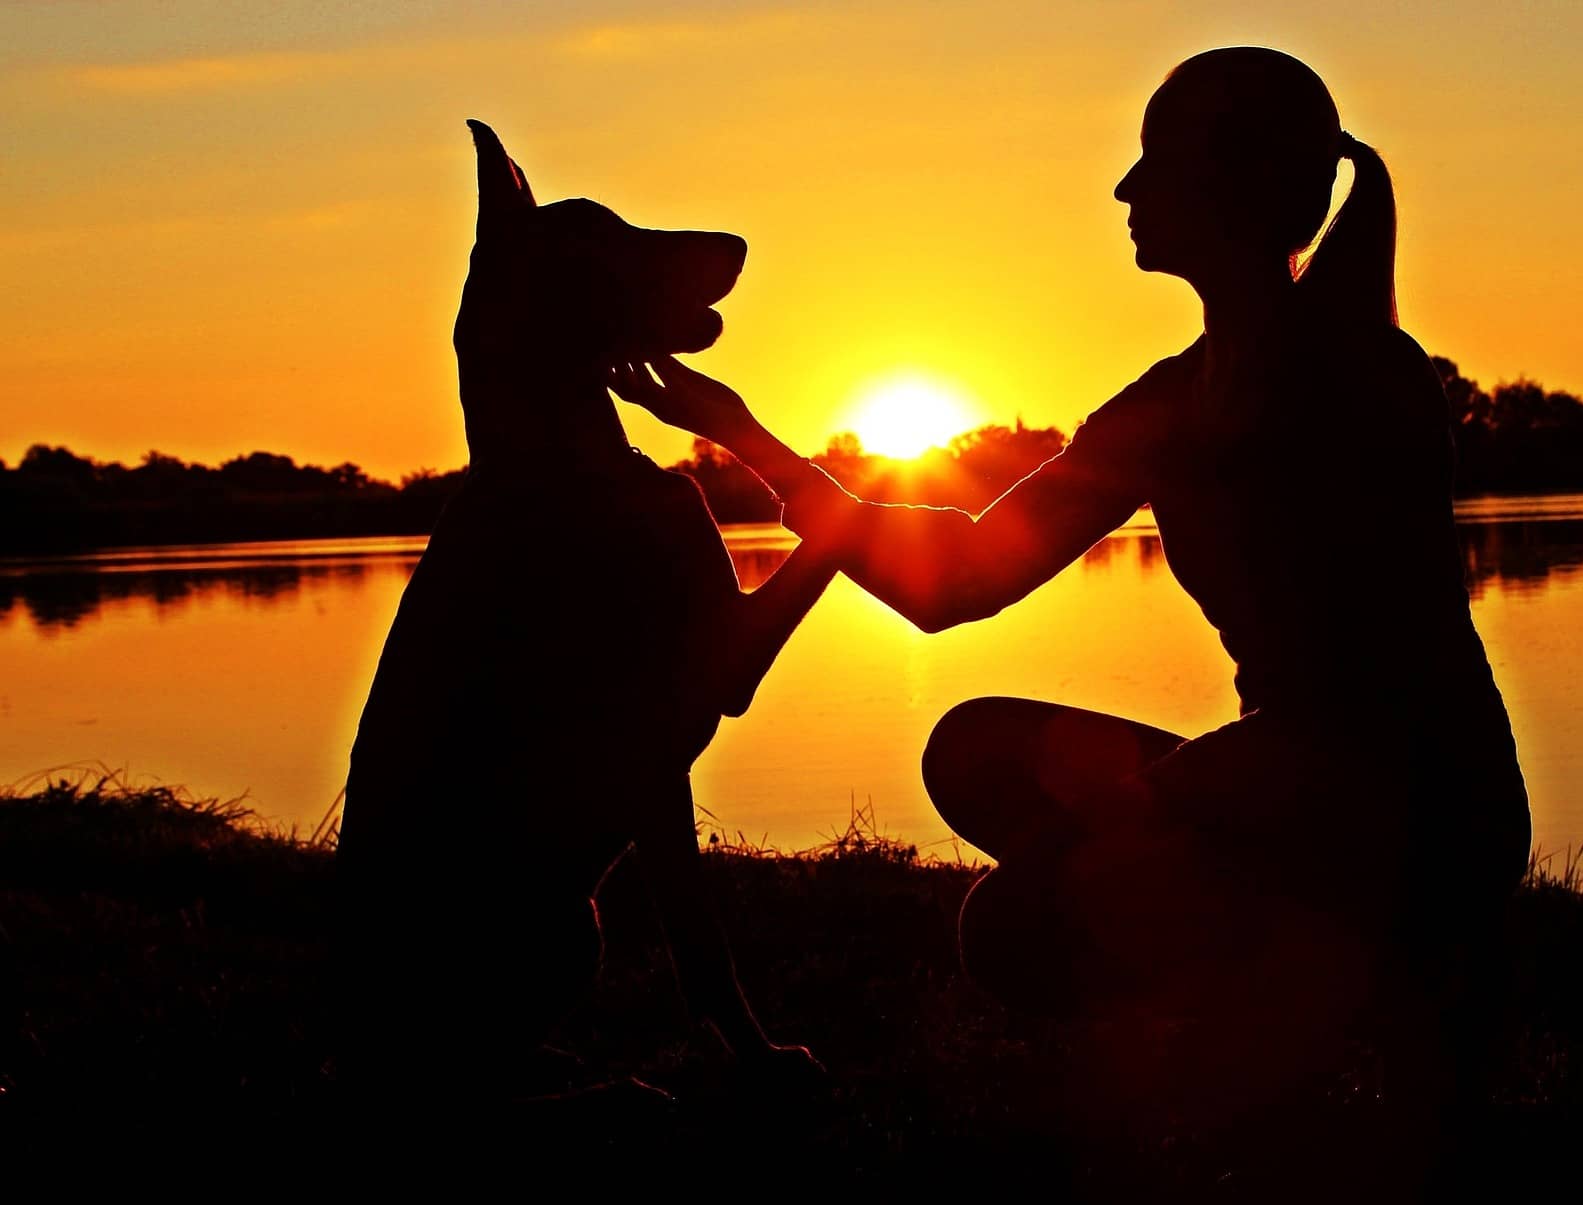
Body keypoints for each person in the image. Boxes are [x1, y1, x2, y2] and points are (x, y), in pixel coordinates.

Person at [610, 47, 1529, 1041]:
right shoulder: (1170, 403)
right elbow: (958, 575)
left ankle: (1326, 991)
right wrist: (750, 440)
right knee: (976, 749)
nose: (1127, 186)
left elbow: (1377, 706)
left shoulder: (1362, 377)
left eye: (1157, 158)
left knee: (1016, 923)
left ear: (1238, 180)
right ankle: (1270, 965)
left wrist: (1168, 802)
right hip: (1287, 777)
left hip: (1420, 810)